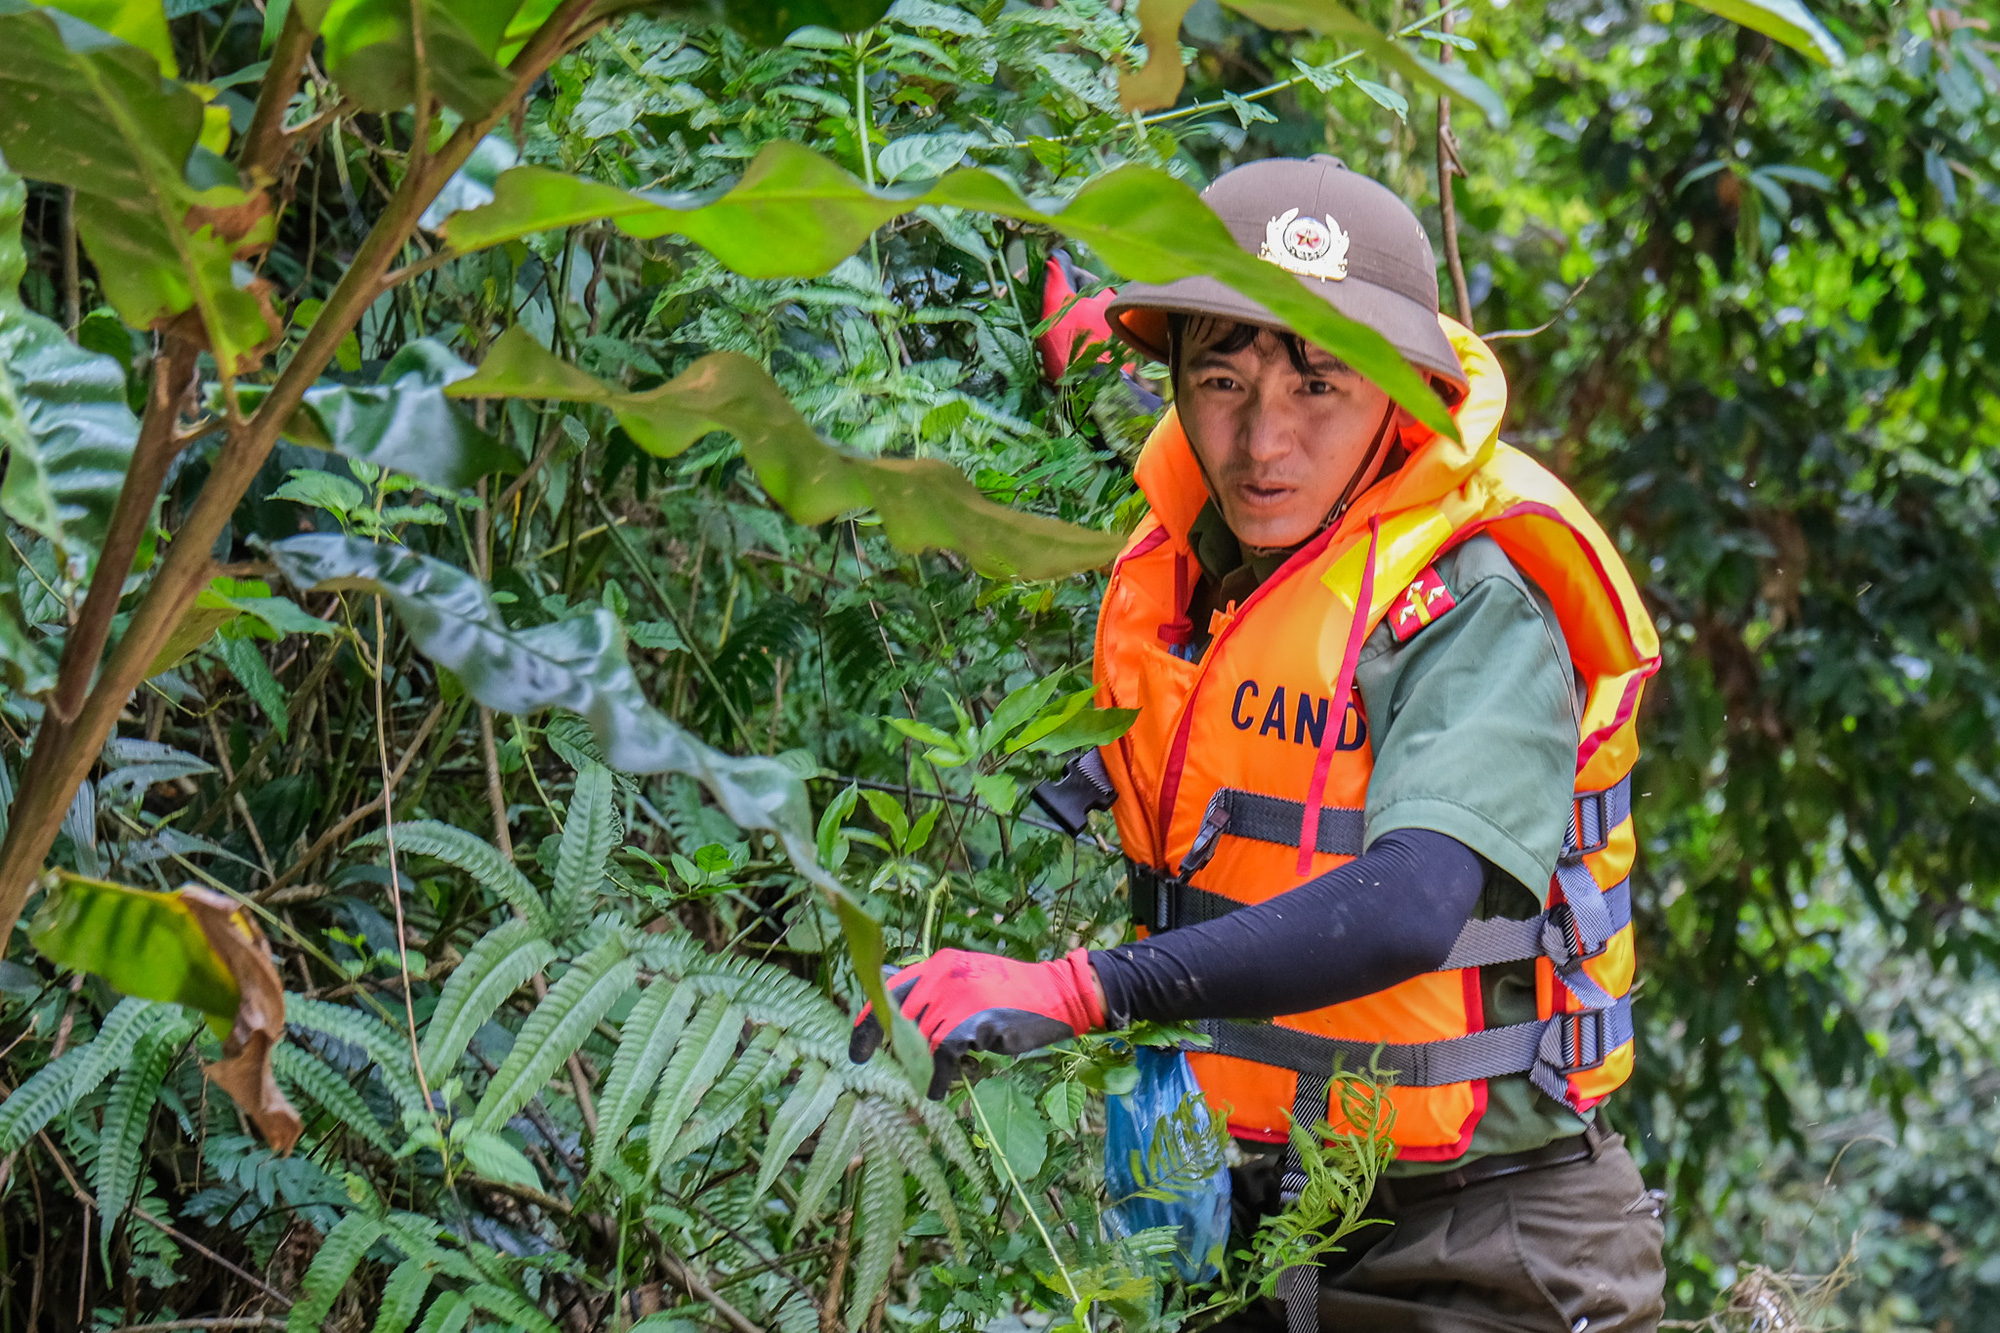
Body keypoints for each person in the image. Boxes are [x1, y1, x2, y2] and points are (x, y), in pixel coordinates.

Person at [850, 155, 1668, 1333]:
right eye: (1219, 380)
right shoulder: (1215, 537)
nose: (1258, 444)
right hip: (1257, 1229)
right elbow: (1155, 410)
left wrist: (1075, 990)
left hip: (1489, 1251)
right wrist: (1080, 323)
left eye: (1318, 386)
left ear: (1402, 392)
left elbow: (1409, 904)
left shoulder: (1473, 604)